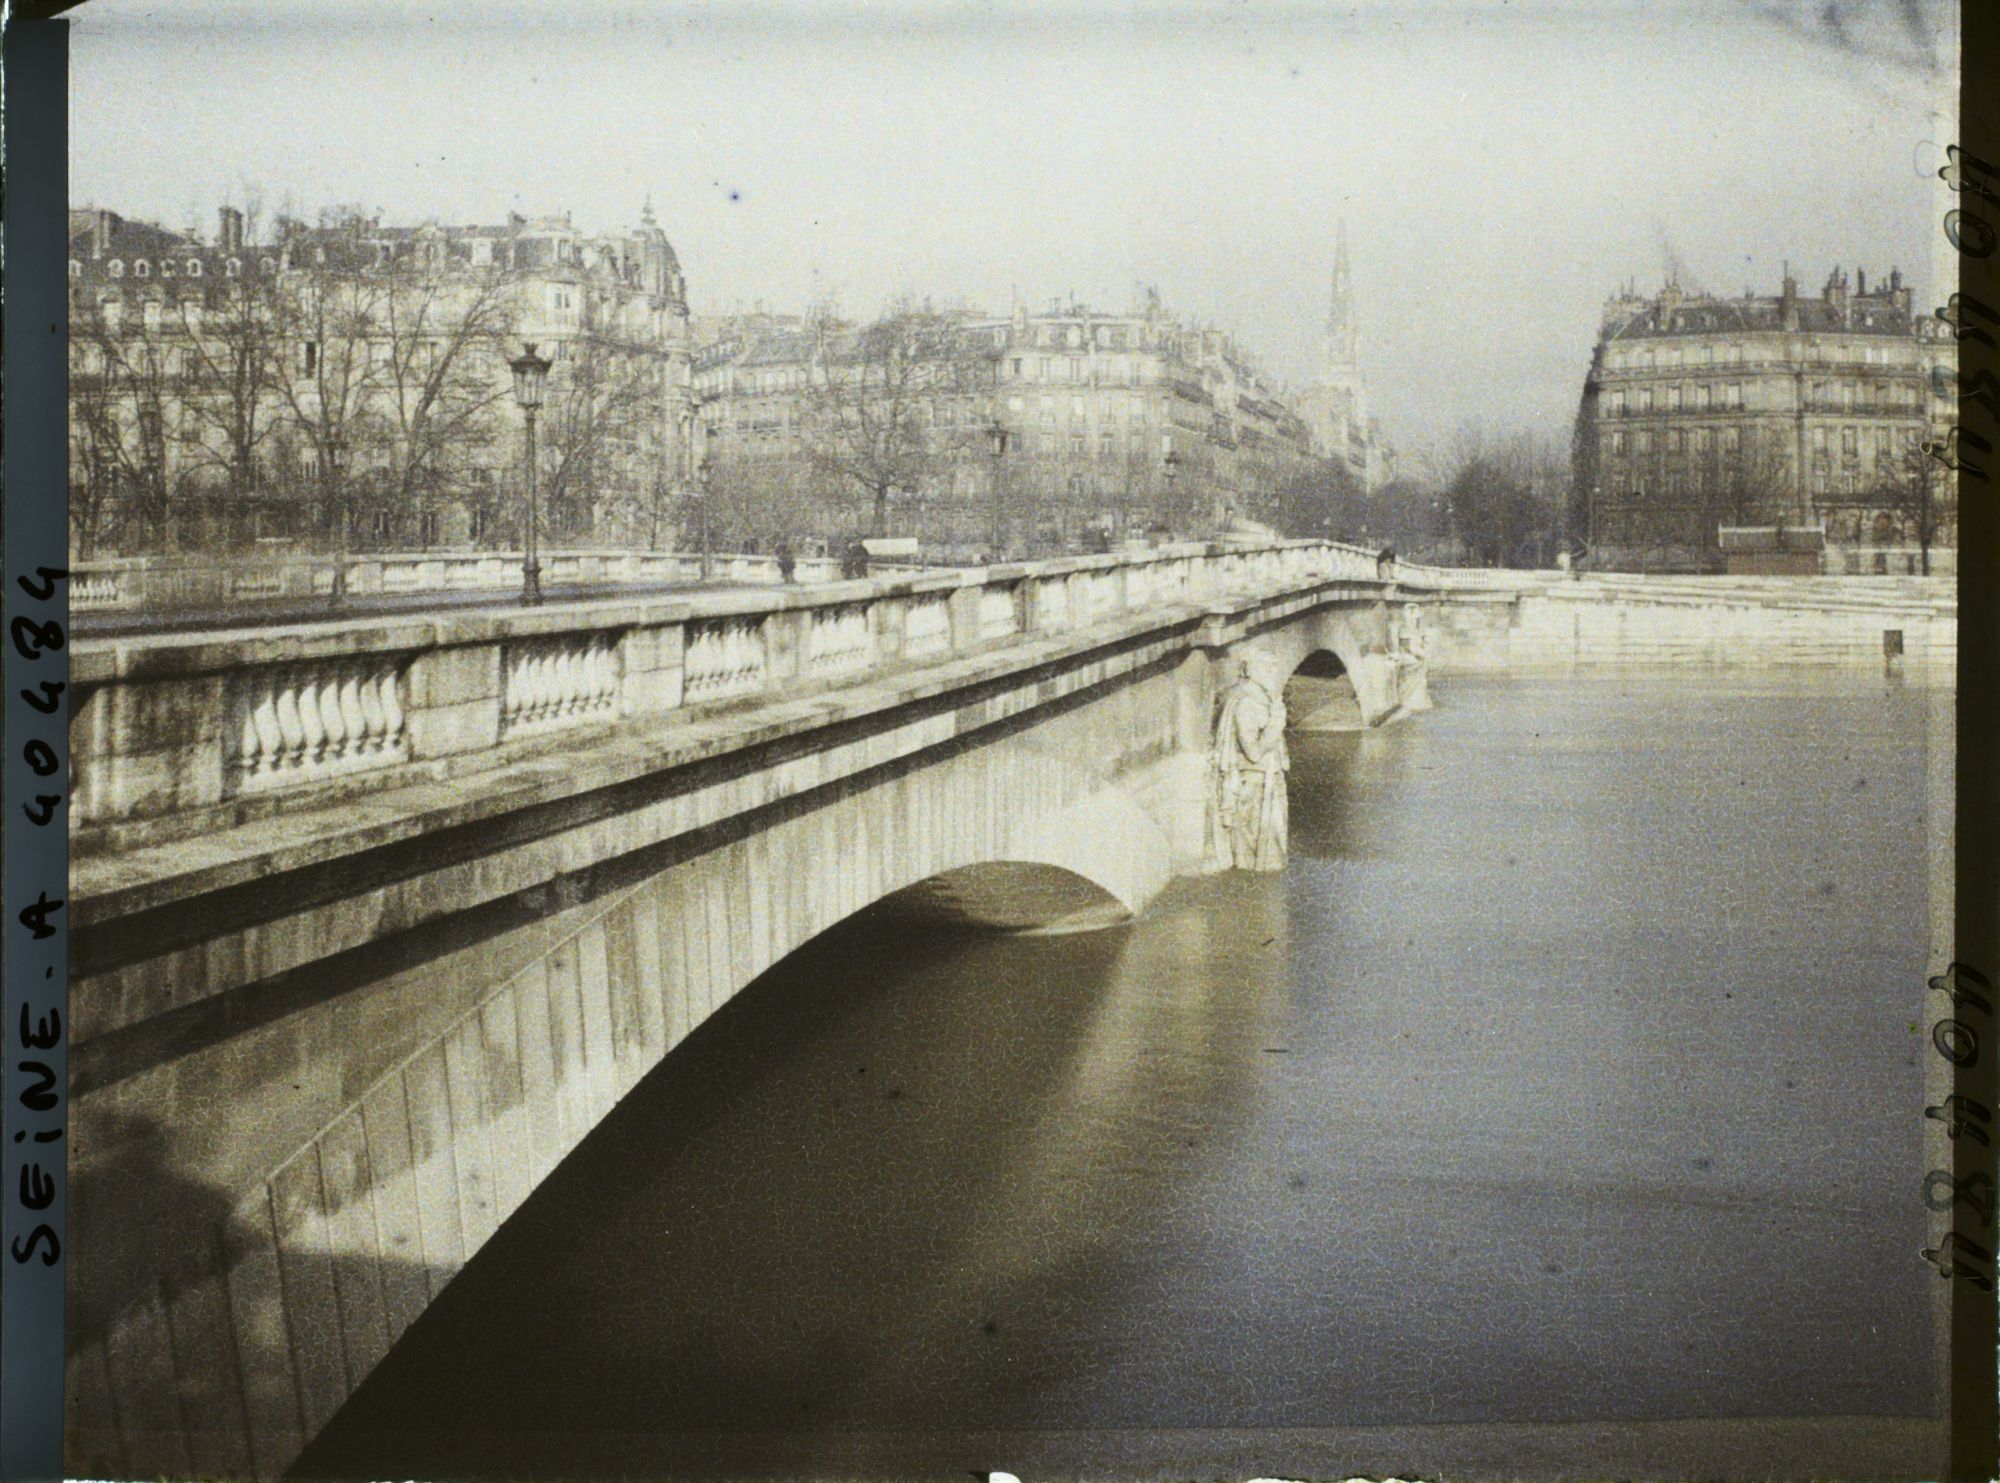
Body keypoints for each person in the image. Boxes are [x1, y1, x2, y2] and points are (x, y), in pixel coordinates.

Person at [1213, 650, 1290, 870]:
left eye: (1275, 666)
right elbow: (1254, 753)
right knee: (1258, 857)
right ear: (1252, 670)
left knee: (1272, 859)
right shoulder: (1246, 703)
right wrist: (1276, 724)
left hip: (1269, 779)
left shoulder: (1262, 698)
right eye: (1268, 667)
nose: (1274, 672)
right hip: (1255, 786)